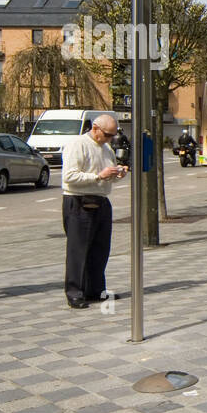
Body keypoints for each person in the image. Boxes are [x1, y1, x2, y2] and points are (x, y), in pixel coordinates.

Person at [63, 114, 127, 309]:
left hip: (101, 199)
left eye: (113, 136)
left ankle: (96, 289)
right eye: (107, 134)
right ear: (96, 128)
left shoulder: (106, 148)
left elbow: (107, 176)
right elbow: (69, 176)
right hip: (79, 199)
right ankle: (75, 292)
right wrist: (99, 176)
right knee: (78, 249)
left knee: (100, 249)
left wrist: (117, 174)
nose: (109, 139)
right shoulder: (78, 144)